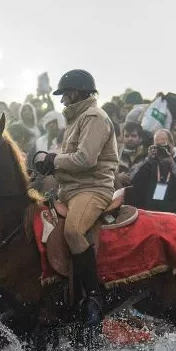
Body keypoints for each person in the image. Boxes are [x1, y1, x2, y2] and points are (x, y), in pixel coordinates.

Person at [30, 69, 120, 331]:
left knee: (72, 231)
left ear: (79, 92)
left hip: (93, 189)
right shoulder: (78, 117)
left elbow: (85, 160)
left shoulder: (94, 117)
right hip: (70, 189)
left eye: (65, 94)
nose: (62, 100)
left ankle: (94, 296)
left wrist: (54, 160)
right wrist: (48, 166)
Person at [128, 128, 176, 219]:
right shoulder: (151, 159)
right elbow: (131, 179)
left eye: (164, 146)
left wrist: (173, 165)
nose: (161, 149)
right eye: (158, 146)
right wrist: (147, 160)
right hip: (152, 214)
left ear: (172, 143)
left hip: (174, 216)